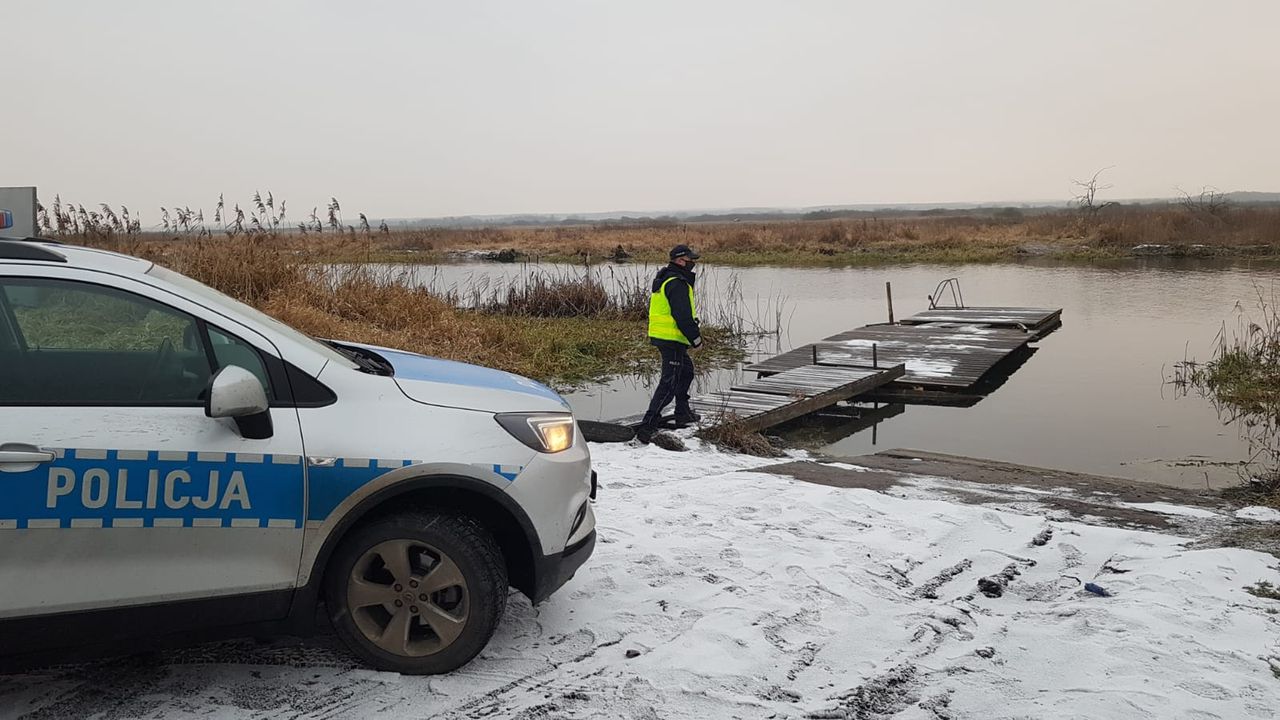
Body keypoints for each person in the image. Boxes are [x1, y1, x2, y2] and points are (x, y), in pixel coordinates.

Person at [636, 244, 702, 444]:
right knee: (669, 384)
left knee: (686, 372)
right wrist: (696, 339)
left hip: (666, 337)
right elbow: (683, 316)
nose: (692, 263)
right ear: (681, 261)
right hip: (671, 338)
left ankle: (683, 412)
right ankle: (647, 426)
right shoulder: (677, 283)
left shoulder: (665, 278)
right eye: (690, 260)